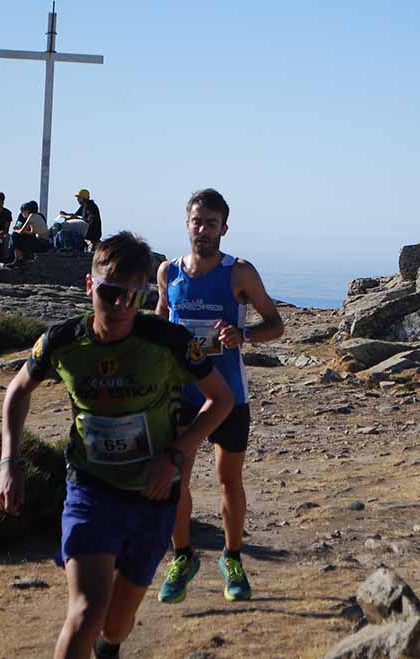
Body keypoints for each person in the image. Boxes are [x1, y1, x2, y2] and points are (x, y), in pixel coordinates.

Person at [0, 232, 233, 659]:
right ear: (90, 286)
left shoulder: (168, 342)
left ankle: (109, 648)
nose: (121, 305)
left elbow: (222, 399)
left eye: (133, 296)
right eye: (110, 292)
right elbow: (18, 390)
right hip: (91, 489)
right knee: (87, 612)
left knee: (116, 625)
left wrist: (174, 455)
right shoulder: (63, 342)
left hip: (153, 496)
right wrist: (8, 462)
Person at [155, 188, 284, 604]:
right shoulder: (169, 272)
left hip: (229, 393)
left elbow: (276, 324)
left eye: (211, 223)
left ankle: (232, 559)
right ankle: (183, 556)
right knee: (176, 477)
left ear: (224, 229)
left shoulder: (239, 273)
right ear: (187, 224)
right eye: (197, 221)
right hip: (182, 395)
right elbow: (160, 324)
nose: (203, 230)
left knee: (229, 480)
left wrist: (242, 335)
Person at [10, 200, 51, 265]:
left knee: (14, 235)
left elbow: (21, 231)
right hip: (35, 238)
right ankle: (19, 257)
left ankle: (19, 258)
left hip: (39, 241)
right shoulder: (23, 216)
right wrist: (19, 228)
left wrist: (19, 230)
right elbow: (19, 226)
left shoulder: (32, 216)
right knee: (15, 238)